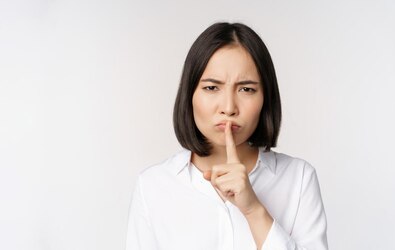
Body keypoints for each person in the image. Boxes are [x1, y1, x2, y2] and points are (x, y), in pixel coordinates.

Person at [126, 22, 328, 250]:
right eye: (212, 88)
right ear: (189, 94)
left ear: (265, 98)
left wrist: (253, 209)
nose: (229, 107)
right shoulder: (153, 185)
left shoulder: (298, 179)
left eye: (246, 89)